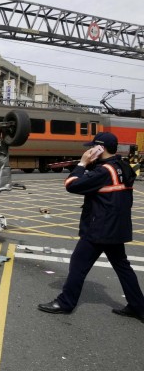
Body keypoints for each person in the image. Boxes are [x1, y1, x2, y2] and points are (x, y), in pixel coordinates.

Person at [38, 132, 144, 322]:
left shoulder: (104, 172)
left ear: (100, 149)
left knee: (78, 265)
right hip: (116, 227)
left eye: (92, 147)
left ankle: (65, 302)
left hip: (99, 229)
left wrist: (82, 163)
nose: (88, 150)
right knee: (122, 266)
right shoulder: (123, 166)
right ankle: (139, 307)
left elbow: (71, 184)